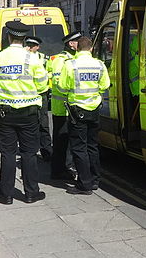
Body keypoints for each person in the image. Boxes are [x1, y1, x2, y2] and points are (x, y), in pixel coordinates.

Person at [0, 21, 49, 205]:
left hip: (4, 112)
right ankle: (32, 192)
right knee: (29, 153)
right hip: (28, 112)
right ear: (24, 38)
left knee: (7, 154)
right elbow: (42, 85)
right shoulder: (33, 58)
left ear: (9, 36)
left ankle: (5, 194)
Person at [57, 35, 110, 195]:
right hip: (94, 109)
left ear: (77, 48)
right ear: (91, 48)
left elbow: (62, 87)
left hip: (77, 111)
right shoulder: (100, 65)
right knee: (92, 146)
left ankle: (84, 184)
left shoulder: (70, 65)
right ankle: (94, 180)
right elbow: (105, 85)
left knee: (79, 148)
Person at [47, 31, 81, 182]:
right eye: (77, 41)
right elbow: (59, 83)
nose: (79, 44)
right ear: (71, 44)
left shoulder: (74, 58)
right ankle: (59, 171)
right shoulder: (60, 60)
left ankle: (64, 168)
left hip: (71, 108)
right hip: (62, 107)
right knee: (61, 142)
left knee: (68, 141)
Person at [25, 35, 53, 162]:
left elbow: (51, 71)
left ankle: (46, 150)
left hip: (41, 94)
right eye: (30, 46)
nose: (31, 48)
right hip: (29, 94)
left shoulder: (43, 58)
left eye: (33, 46)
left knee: (43, 123)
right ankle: (31, 149)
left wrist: (47, 76)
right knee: (31, 124)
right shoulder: (23, 57)